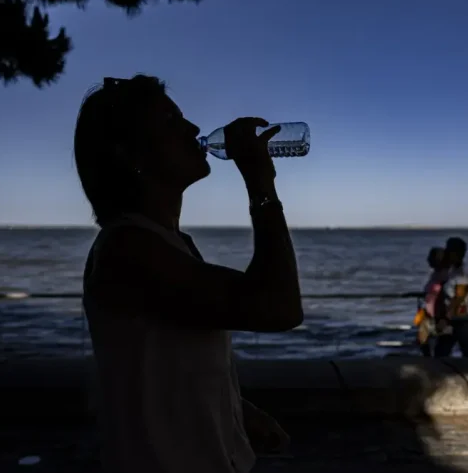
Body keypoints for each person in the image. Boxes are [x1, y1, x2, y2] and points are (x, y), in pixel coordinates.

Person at [76, 75, 304, 473]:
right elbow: (279, 307)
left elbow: (165, 364)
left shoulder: (165, 243)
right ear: (128, 153)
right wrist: (261, 185)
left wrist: (238, 411)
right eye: (170, 121)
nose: (194, 129)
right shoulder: (129, 249)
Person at [434, 237, 468, 358]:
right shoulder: (452, 270)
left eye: (449, 250)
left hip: (465, 321)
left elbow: (458, 298)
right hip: (454, 319)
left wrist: (445, 319)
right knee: (441, 352)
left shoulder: (464, 273)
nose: (446, 253)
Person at [414, 247, 449, 356]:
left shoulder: (444, 275)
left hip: (438, 314)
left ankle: (435, 364)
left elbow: (444, 294)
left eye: (430, 257)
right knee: (422, 341)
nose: (427, 260)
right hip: (428, 313)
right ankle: (430, 361)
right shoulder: (435, 274)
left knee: (439, 344)